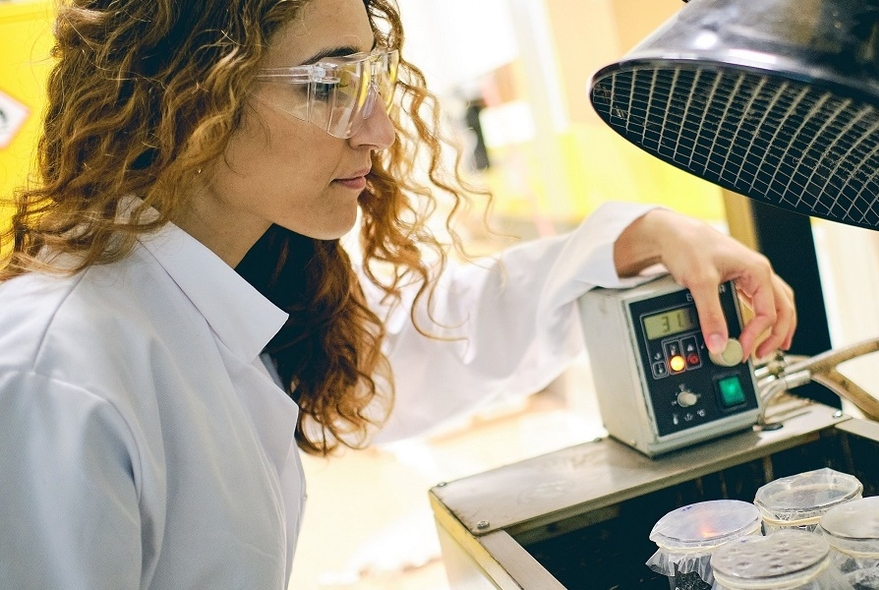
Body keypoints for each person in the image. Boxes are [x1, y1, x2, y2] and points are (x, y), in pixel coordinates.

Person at [0, 0, 797, 587]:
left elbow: (406, 351)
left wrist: (638, 234)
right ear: (189, 95)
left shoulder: (226, 286)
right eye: (330, 84)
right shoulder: (57, 376)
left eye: (372, 78)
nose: (378, 129)